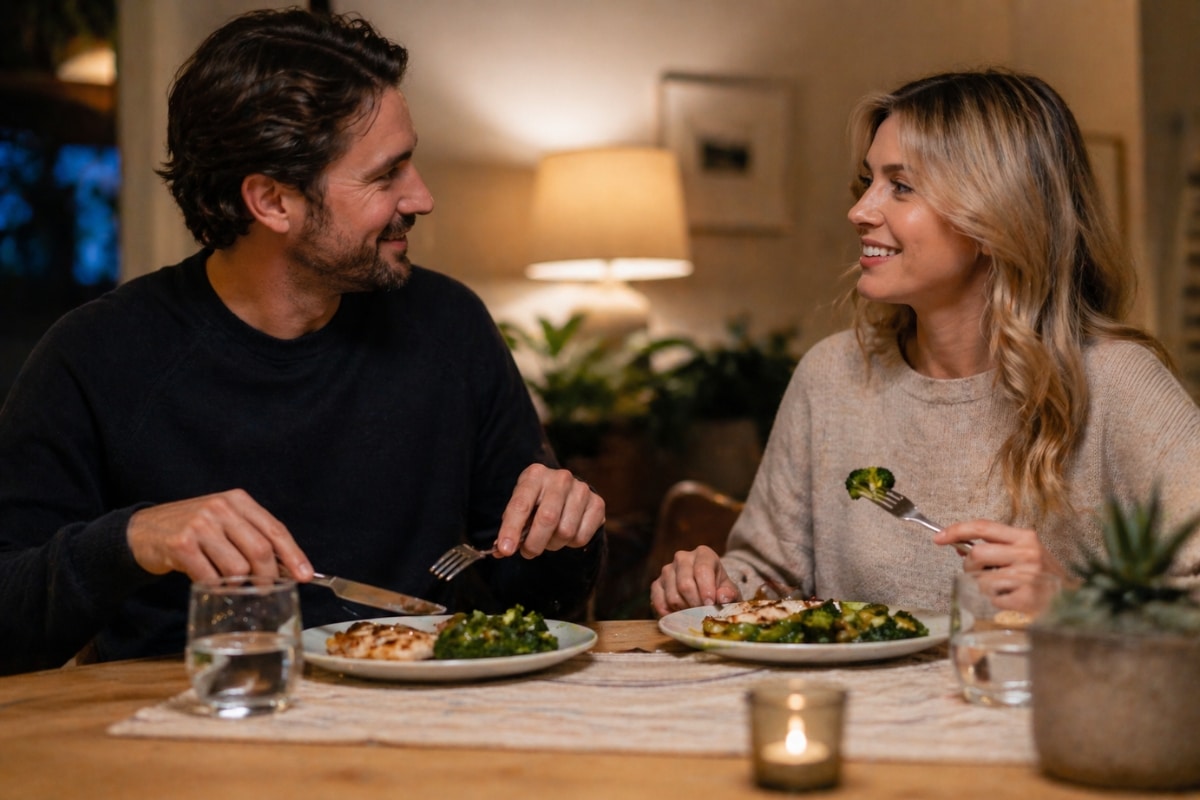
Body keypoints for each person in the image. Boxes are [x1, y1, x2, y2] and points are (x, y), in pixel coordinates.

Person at [0, 8, 605, 675]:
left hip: (425, 719)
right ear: (272, 202)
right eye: (387, 174)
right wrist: (129, 540)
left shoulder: (448, 325)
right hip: (197, 729)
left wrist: (562, 537)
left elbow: (532, 600)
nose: (423, 197)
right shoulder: (97, 355)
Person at [651, 68, 1200, 617]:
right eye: (869, 180)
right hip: (859, 705)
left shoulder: (1118, 382)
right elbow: (769, 575)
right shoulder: (832, 375)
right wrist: (714, 584)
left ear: (996, 215)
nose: (860, 210)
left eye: (902, 186)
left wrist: (1074, 605)